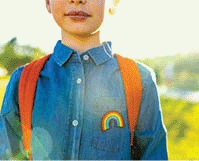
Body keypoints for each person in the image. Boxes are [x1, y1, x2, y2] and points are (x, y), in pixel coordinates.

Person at [0, 0, 168, 160]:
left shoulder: (139, 80)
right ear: (47, 2)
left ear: (114, 3)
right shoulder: (22, 81)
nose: (77, 0)